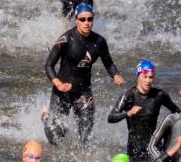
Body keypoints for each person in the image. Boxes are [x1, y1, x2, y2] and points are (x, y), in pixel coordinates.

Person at [43, 2, 125, 146]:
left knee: (85, 135)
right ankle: (44, 117)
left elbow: (109, 62)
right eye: (82, 19)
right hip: (61, 91)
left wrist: (115, 75)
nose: (86, 23)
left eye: (90, 19)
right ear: (76, 19)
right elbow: (48, 65)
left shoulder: (99, 41)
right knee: (56, 137)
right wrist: (58, 83)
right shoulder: (66, 39)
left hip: (83, 92)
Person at [107, 60, 179, 162]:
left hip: (153, 147)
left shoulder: (160, 95)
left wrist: (171, 137)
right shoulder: (129, 95)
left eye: (151, 77)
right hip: (135, 149)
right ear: (138, 76)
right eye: (145, 77)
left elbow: (177, 113)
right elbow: (111, 117)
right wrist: (128, 113)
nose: (148, 80)